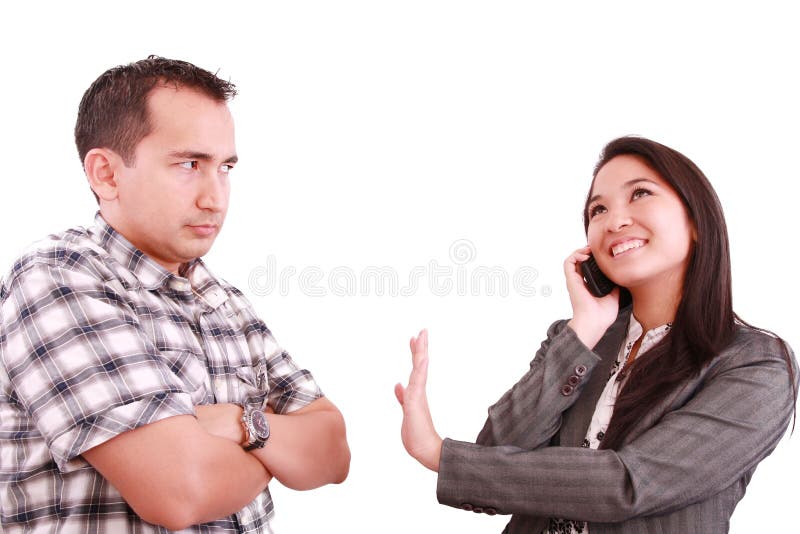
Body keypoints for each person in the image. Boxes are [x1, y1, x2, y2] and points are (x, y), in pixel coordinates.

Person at [0, 56, 350, 533]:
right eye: (189, 164)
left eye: (225, 167)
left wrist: (239, 423)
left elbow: (332, 452)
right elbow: (181, 490)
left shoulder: (223, 299)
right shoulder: (58, 277)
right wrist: (276, 452)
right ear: (106, 174)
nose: (216, 198)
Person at [395, 136, 798, 533]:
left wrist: (439, 454)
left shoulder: (755, 365)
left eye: (640, 194)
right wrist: (585, 326)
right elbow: (494, 453)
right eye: (598, 209)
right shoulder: (578, 340)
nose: (614, 221)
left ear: (695, 220)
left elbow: (629, 484)